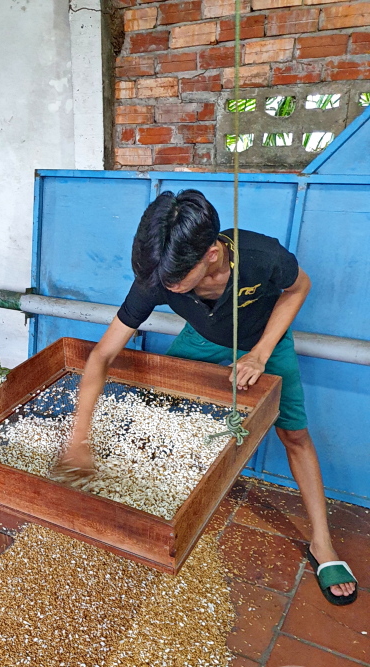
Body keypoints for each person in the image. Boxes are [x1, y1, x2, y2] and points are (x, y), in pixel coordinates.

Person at [59, 189, 357, 605]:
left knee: (295, 436)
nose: (166, 289)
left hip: (264, 344)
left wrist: (260, 353)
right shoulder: (159, 277)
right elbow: (102, 355)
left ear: (212, 254)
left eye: (176, 282)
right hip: (203, 340)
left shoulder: (261, 256)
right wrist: (78, 439)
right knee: (156, 414)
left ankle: (322, 543)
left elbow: (299, 287)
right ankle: (144, 512)